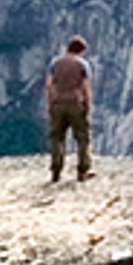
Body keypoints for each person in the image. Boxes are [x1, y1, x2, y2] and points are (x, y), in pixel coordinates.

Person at [43, 35, 97, 184]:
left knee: (57, 138)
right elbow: (86, 87)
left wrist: (51, 103)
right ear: (81, 51)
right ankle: (82, 171)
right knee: (82, 138)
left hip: (58, 104)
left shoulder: (55, 63)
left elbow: (49, 85)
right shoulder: (82, 65)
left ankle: (56, 171)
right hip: (75, 103)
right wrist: (87, 105)